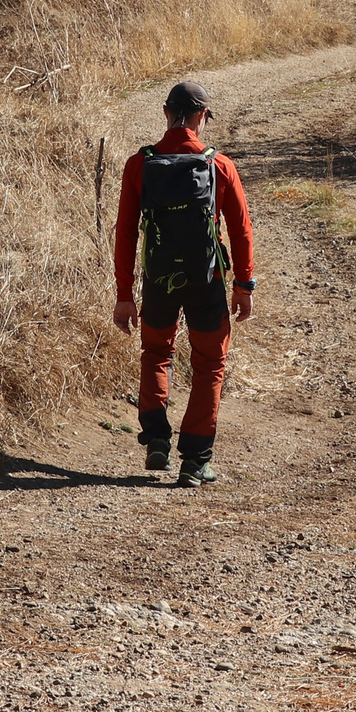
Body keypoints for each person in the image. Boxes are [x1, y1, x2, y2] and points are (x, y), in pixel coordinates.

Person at [113, 79, 256, 486]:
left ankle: (156, 439)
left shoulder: (139, 164)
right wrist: (244, 285)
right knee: (210, 363)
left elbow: (126, 233)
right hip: (206, 279)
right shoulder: (219, 164)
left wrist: (125, 295)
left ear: (165, 112)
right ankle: (195, 461)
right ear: (202, 116)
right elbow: (241, 230)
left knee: (156, 352)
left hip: (159, 279)